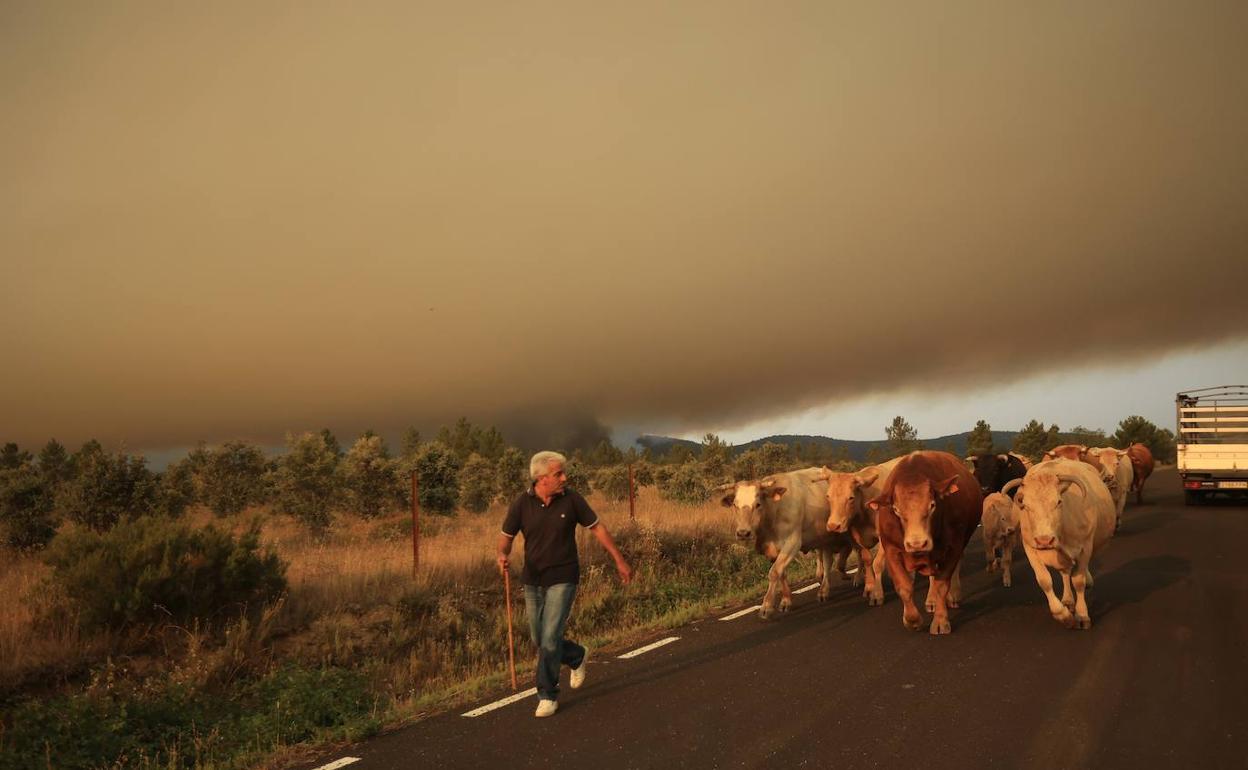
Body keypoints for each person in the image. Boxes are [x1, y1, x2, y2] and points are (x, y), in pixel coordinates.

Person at [497, 450, 632, 717]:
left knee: (549, 638)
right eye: (558, 474)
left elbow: (598, 528)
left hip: (564, 577)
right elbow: (506, 537)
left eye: (563, 472)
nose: (564, 478)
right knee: (539, 638)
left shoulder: (572, 500)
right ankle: (575, 655)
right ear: (541, 478)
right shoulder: (521, 504)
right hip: (533, 579)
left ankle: (547, 694)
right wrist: (502, 554)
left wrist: (619, 560)